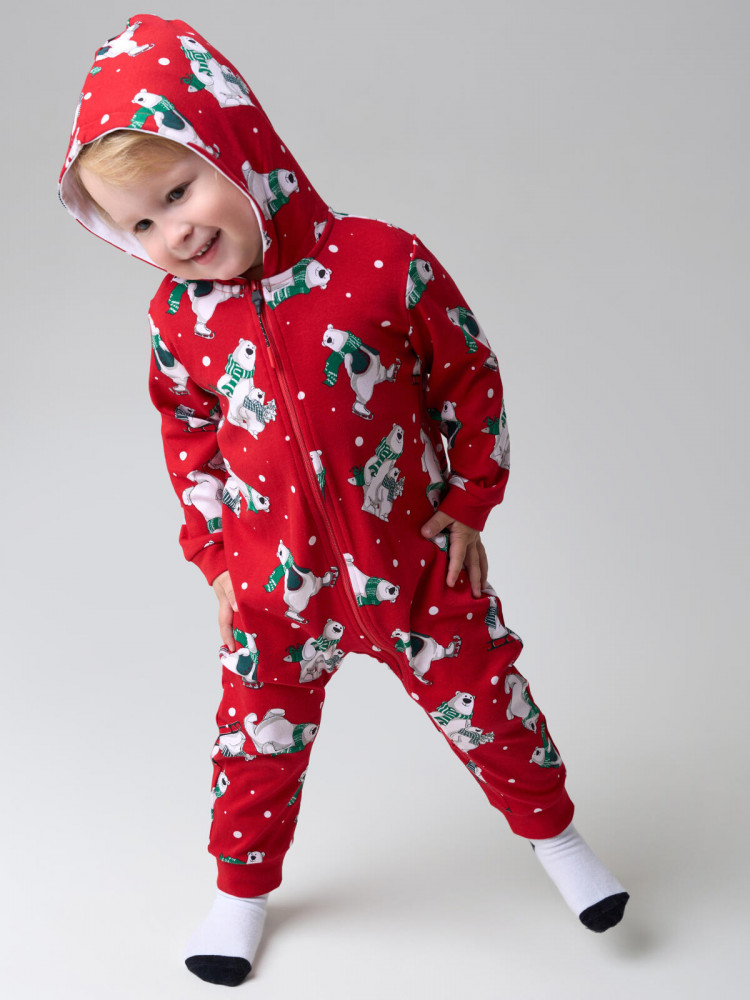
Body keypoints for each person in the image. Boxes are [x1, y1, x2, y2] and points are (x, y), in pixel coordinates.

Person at [59, 13, 629, 988]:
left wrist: (470, 498)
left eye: (181, 191)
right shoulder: (178, 319)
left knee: (494, 707)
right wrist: (215, 556)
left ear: (238, 149)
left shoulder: (381, 262)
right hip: (276, 584)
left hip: (412, 562)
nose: (174, 233)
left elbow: (468, 378)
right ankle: (239, 897)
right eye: (141, 224)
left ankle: (561, 843)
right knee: (253, 748)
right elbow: (188, 438)